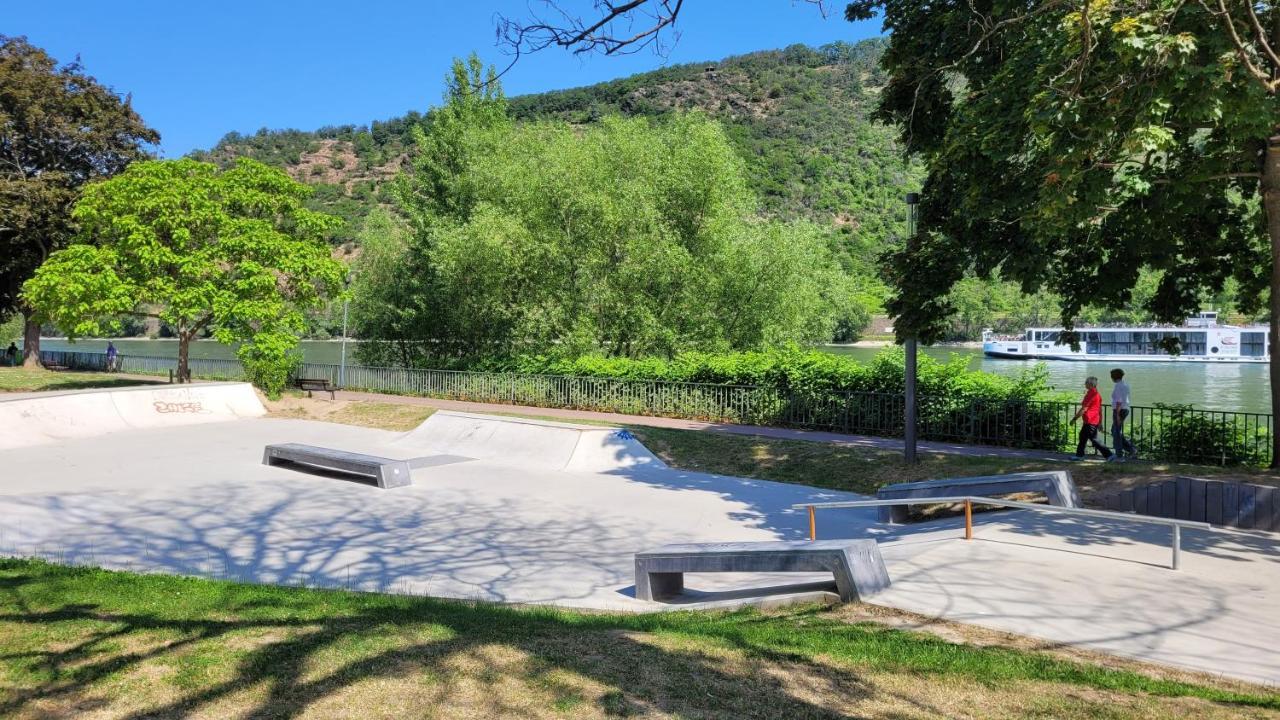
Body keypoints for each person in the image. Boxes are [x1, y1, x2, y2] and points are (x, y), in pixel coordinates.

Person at [1070, 376, 1112, 461]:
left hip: (1090, 421)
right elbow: (1099, 410)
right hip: (1091, 421)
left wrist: (1074, 419)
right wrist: (1100, 422)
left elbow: (1084, 409)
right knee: (1082, 437)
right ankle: (1079, 455)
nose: (1085, 383)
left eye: (1086, 382)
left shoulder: (1092, 394)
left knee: (1094, 440)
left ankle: (1110, 455)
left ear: (1090, 384)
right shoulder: (1096, 394)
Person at [1110, 368, 1137, 461]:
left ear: (1114, 376)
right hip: (1125, 409)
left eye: (1111, 376)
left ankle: (1119, 456)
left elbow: (1118, 401)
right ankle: (1131, 449)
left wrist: (1117, 414)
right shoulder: (1125, 384)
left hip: (1119, 411)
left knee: (1116, 433)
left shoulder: (1118, 386)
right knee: (1115, 431)